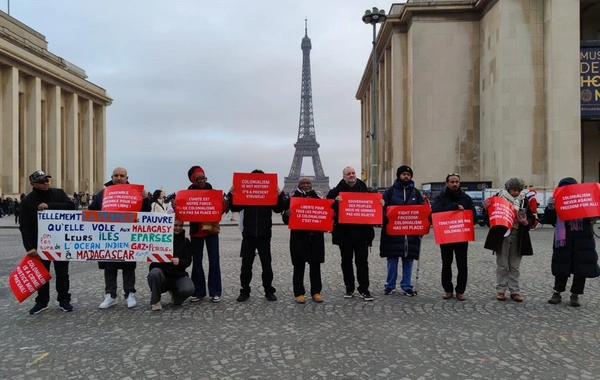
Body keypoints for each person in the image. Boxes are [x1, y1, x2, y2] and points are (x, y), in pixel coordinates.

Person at [88, 167, 151, 309]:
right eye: (116, 175)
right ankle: (110, 295)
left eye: (121, 175)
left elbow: (146, 213)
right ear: (112, 177)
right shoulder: (103, 193)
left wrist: (146, 199)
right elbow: (92, 210)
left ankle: (130, 293)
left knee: (128, 266)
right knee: (110, 266)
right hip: (108, 236)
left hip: (128, 235)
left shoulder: (136, 193)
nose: (118, 178)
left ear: (126, 178)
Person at [19, 170, 75, 314]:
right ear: (33, 184)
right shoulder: (27, 201)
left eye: (47, 180)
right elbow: (24, 226)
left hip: (60, 242)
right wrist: (30, 247)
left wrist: (50, 206)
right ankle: (42, 301)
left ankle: (64, 300)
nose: (46, 183)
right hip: (40, 245)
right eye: (42, 181)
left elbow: (71, 207)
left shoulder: (58, 193)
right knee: (41, 274)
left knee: (62, 273)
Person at [228, 169, 286, 302]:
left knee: (267, 265)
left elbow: (278, 209)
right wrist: (232, 194)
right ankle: (245, 290)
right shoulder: (245, 195)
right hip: (248, 234)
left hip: (264, 234)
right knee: (246, 265)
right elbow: (235, 207)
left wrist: (279, 195)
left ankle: (268, 290)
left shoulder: (269, 194)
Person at [543, 177, 600, 307]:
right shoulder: (557, 201)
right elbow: (548, 220)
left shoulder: (583, 200)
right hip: (563, 239)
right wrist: (551, 207)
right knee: (561, 265)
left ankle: (576, 294)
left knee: (582, 267)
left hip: (583, 239)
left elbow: (594, 214)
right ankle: (557, 292)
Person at [326, 166, 378, 301]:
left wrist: (381, 203)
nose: (351, 175)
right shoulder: (335, 192)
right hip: (344, 234)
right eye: (348, 173)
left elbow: (375, 207)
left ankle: (364, 289)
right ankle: (349, 287)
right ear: (344, 176)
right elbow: (327, 208)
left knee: (362, 262)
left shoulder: (366, 190)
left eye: (353, 173)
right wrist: (335, 203)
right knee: (346, 262)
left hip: (362, 234)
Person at [482, 177, 534, 302]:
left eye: (518, 190)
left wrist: (526, 222)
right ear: (508, 189)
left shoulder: (523, 201)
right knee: (502, 265)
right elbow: (488, 220)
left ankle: (515, 291)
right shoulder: (499, 198)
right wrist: (485, 209)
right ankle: (501, 290)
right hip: (502, 236)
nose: (515, 192)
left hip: (518, 236)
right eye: (513, 190)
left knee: (514, 266)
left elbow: (531, 220)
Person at [380, 165, 425, 296]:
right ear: (399, 175)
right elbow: (382, 210)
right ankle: (390, 285)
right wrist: (387, 219)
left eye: (408, 174)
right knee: (392, 261)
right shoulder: (389, 192)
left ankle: (406, 285)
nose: (406, 176)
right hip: (393, 234)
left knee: (408, 260)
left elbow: (422, 211)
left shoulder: (416, 193)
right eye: (404, 174)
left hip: (410, 235)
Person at [431, 173, 476, 301]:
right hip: (445, 237)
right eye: (452, 182)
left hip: (461, 236)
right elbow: (435, 212)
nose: (454, 184)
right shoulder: (441, 197)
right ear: (447, 183)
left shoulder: (466, 198)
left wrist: (466, 213)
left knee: (462, 265)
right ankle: (448, 290)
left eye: (456, 182)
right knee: (446, 264)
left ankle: (460, 291)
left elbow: (473, 215)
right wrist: (454, 207)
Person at [184, 166, 225, 303]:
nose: (202, 180)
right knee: (197, 262)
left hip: (211, 231)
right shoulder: (187, 194)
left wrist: (225, 205)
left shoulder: (212, 192)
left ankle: (215, 291)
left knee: (214, 260)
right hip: (196, 231)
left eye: (203, 178)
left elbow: (220, 210)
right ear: (193, 180)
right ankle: (199, 290)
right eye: (198, 178)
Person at [282, 177, 325, 303]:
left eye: (308, 183)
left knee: (315, 265)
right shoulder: (292, 200)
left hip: (315, 238)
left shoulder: (318, 199)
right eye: (303, 183)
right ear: (298, 185)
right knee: (299, 265)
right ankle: (299, 293)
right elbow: (285, 220)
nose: (306, 185)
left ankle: (316, 292)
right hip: (299, 238)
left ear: (312, 185)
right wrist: (287, 214)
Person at [147, 219, 195, 310]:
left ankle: (175, 296)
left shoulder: (186, 241)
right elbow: (152, 259)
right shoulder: (159, 239)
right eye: (175, 225)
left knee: (189, 289)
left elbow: (188, 261)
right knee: (154, 273)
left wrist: (179, 261)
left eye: (180, 226)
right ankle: (156, 301)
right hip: (162, 273)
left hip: (178, 275)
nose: (178, 228)